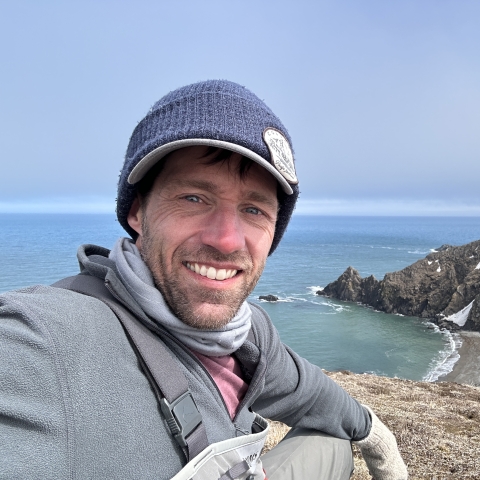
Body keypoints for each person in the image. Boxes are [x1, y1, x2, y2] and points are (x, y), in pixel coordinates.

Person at [0, 80, 407, 479]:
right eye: (194, 198)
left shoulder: (247, 336)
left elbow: (311, 392)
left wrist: (376, 437)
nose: (227, 241)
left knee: (331, 440)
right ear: (137, 212)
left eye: (254, 210)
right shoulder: (45, 343)